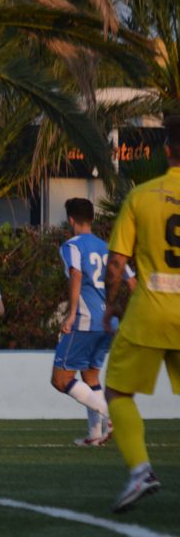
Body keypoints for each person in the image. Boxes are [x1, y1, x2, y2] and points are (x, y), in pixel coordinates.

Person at [102, 118, 180, 513]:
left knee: (117, 391)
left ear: (166, 152)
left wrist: (110, 304)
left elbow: (117, 263)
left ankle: (140, 471)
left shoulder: (142, 195)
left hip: (149, 312)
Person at [50, 198, 133, 447]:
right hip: (108, 323)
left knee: (60, 379)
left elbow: (76, 274)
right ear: (92, 219)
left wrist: (71, 314)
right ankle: (95, 435)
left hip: (86, 320)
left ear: (71, 219)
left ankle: (111, 415)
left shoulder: (72, 246)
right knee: (90, 377)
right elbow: (131, 282)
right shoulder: (109, 247)